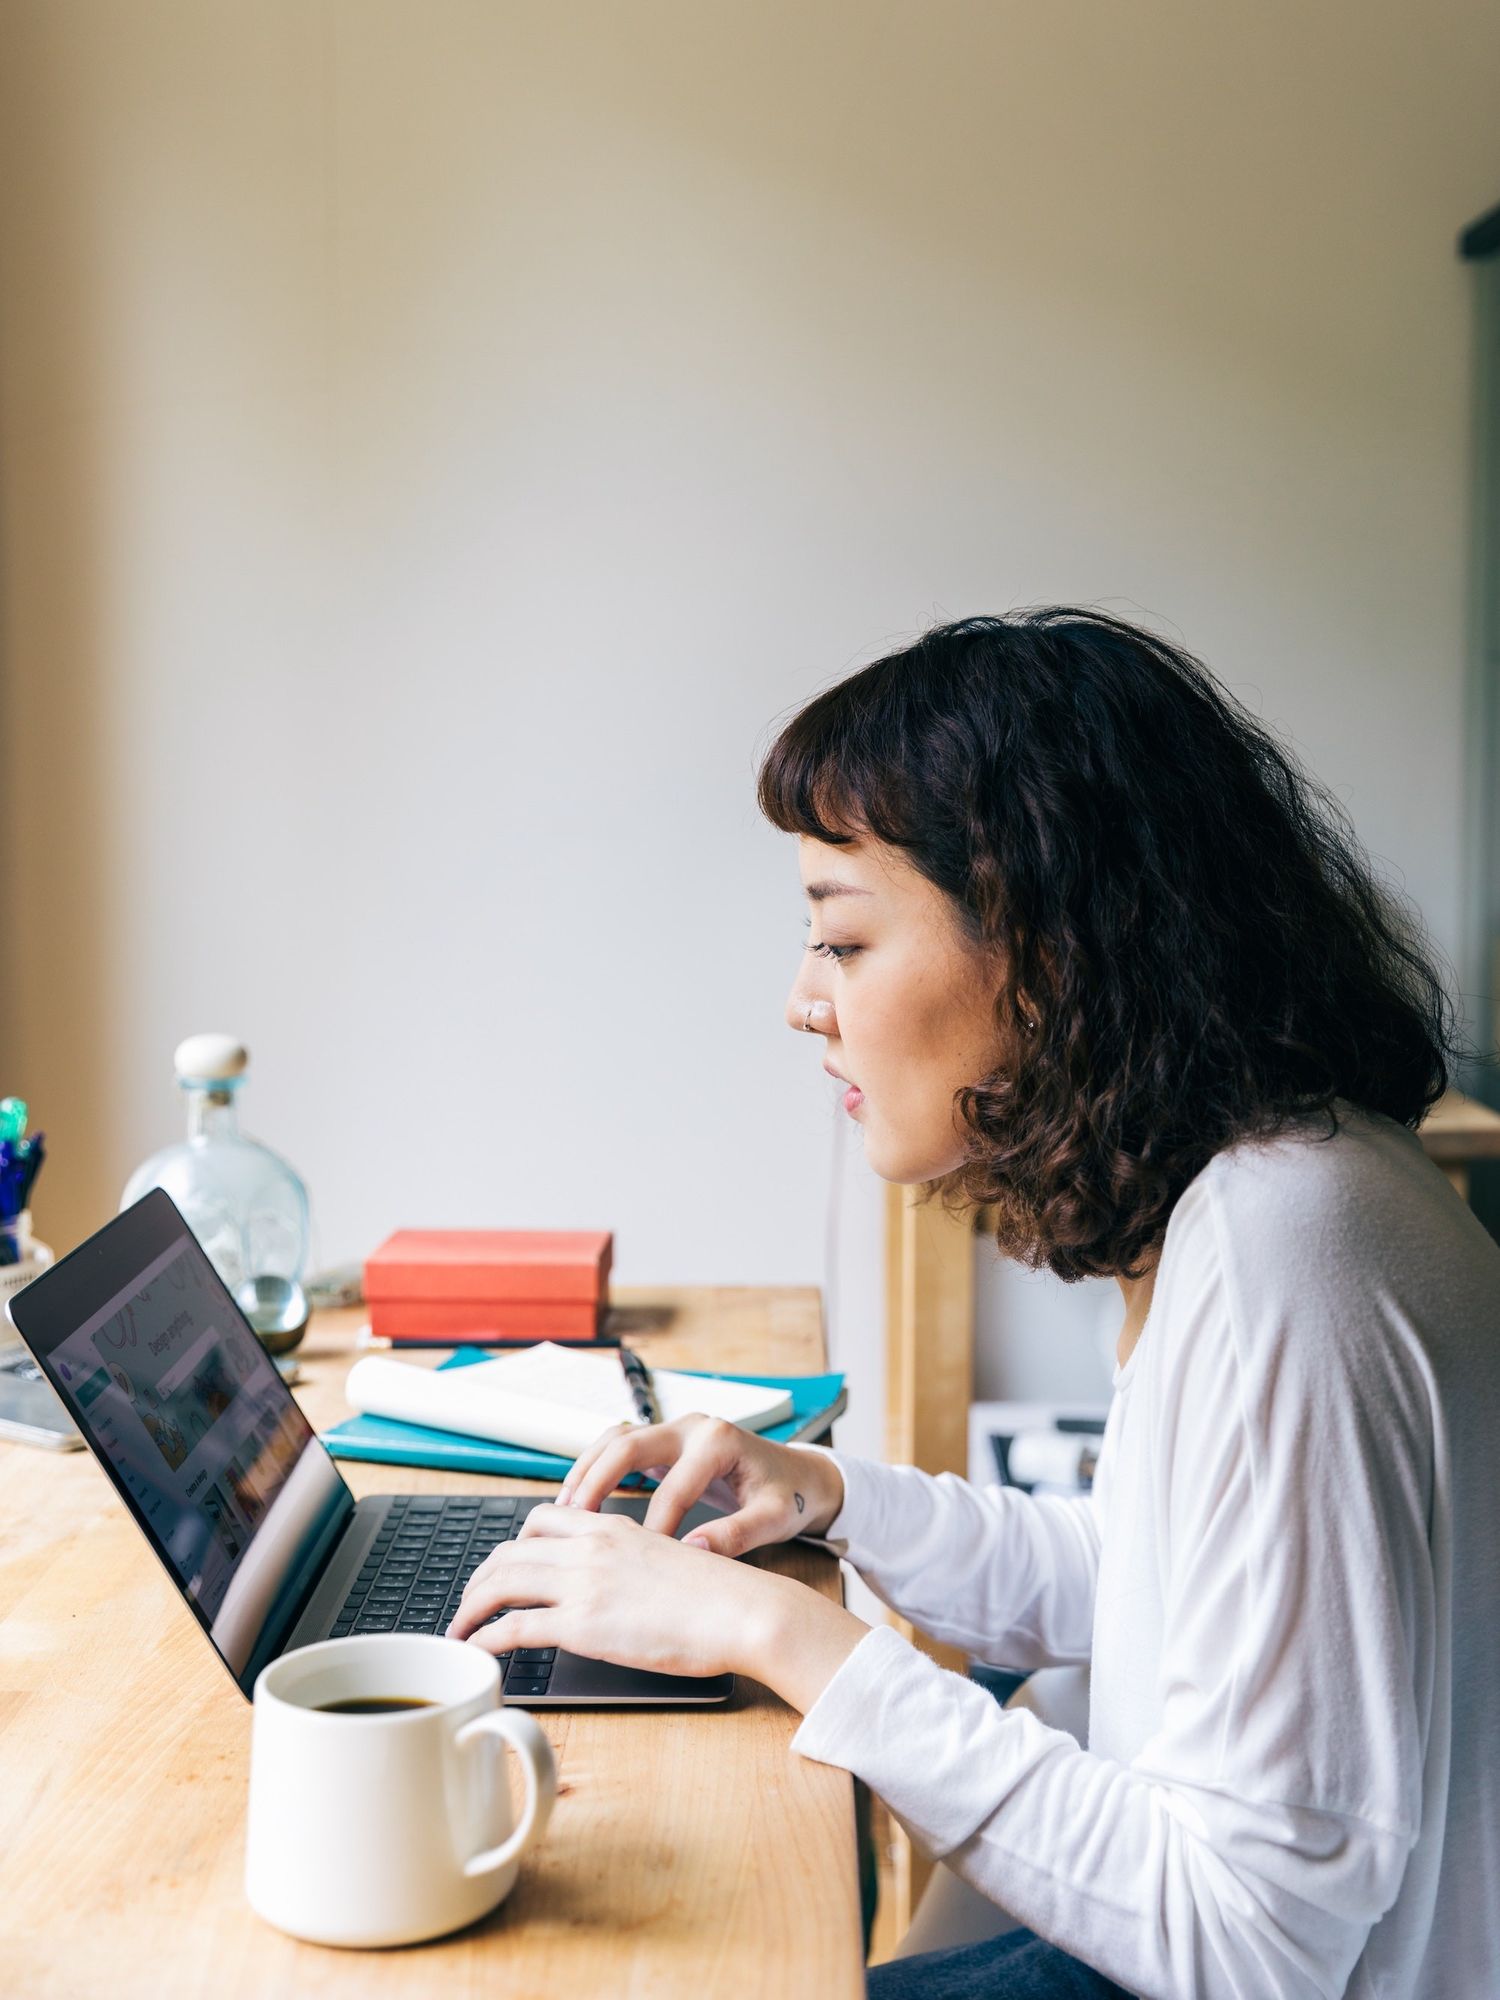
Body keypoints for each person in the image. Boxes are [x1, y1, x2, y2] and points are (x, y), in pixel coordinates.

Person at [449, 610, 1500, 1999]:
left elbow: (1251, 1944)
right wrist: (832, 1498)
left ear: (1050, 945)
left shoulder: (1286, 1248)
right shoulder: (1299, 1180)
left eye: (844, 940)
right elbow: (1150, 1584)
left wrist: (777, 1635)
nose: (803, 1002)